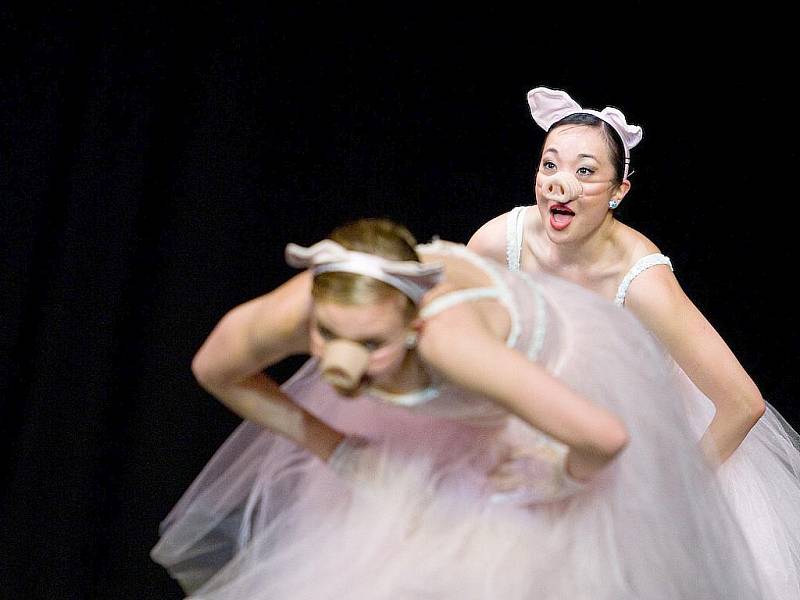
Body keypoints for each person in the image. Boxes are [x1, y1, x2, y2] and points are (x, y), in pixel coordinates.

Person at [152, 218, 765, 599]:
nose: (344, 367)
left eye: (370, 345)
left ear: (413, 324)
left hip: (542, 390)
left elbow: (603, 438)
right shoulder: (302, 307)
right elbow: (215, 370)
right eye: (327, 335)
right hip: (429, 401)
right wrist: (334, 446)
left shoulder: (453, 344)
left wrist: (551, 477)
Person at [468, 86, 800, 598]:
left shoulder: (640, 277)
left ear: (619, 190)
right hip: (542, 419)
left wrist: (670, 492)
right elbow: (463, 334)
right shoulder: (498, 241)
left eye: (585, 172)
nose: (560, 185)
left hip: (637, 438)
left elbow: (742, 404)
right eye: (549, 165)